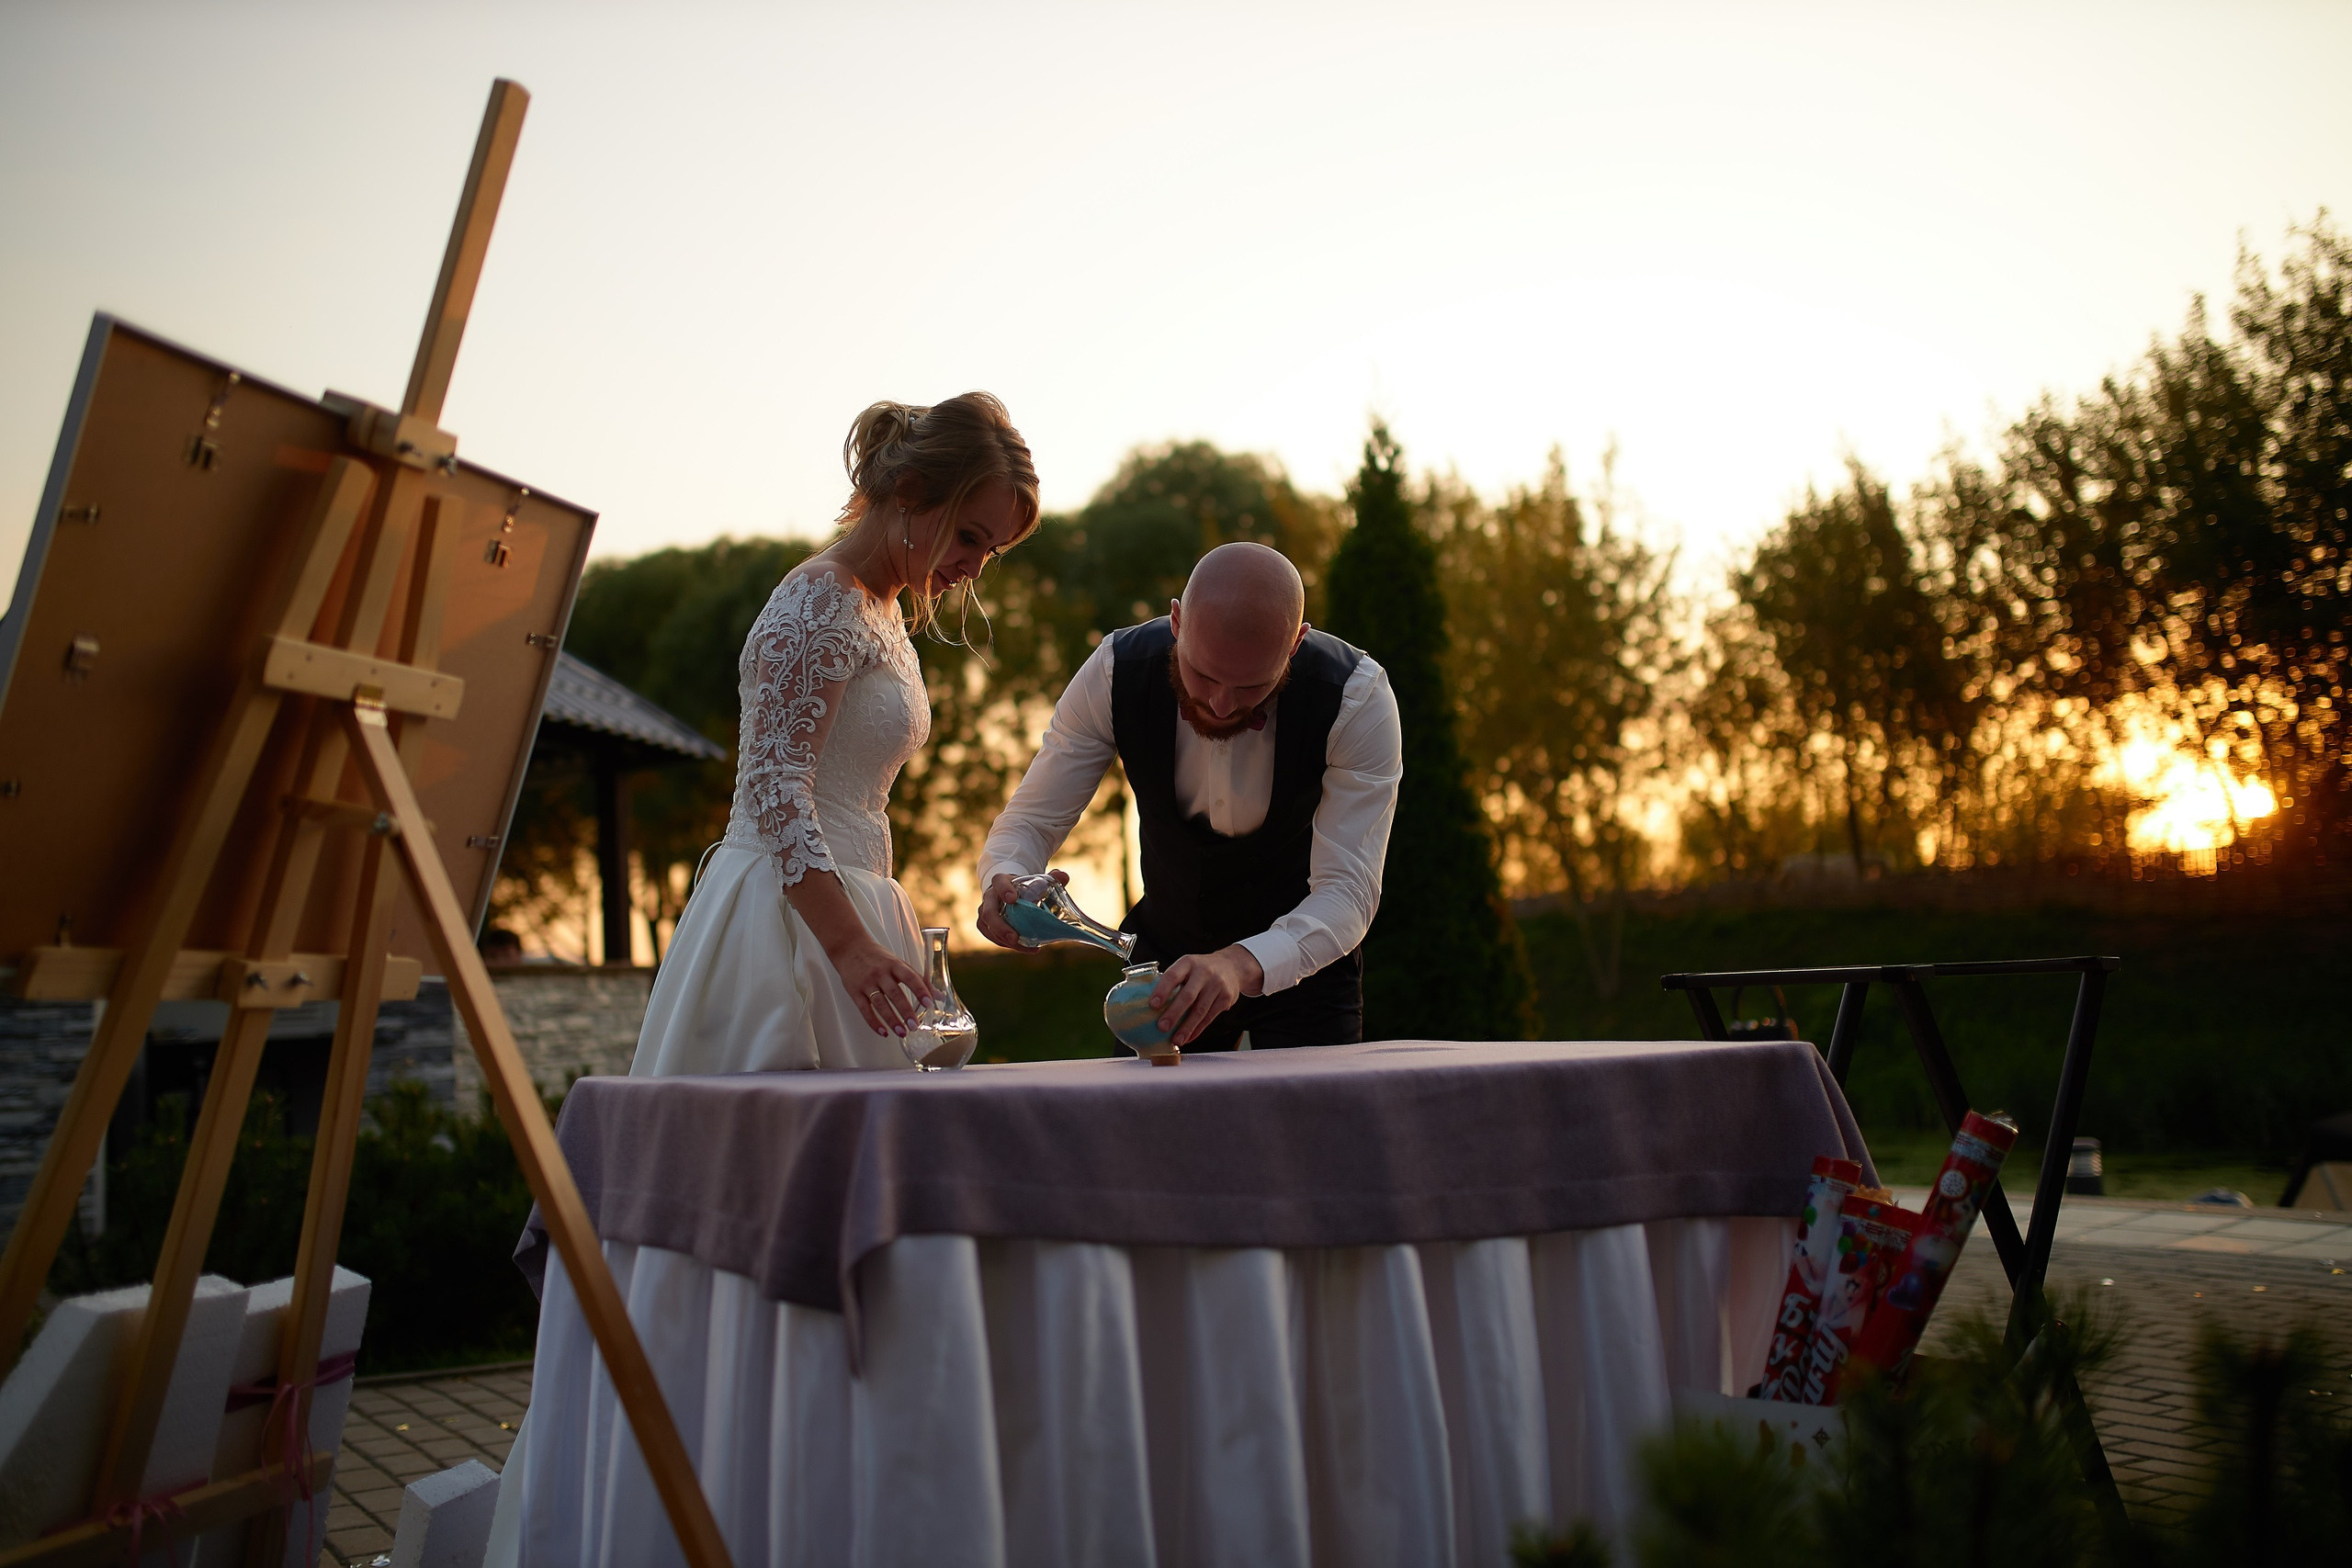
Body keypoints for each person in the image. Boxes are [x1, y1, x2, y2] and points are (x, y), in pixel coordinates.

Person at [629, 393, 1040, 1076]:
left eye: (989, 550)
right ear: (909, 491)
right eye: (970, 535)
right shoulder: (822, 596)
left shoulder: (883, 610)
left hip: (862, 904)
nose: (974, 567)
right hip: (787, 921)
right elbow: (772, 784)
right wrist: (847, 946)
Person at [976, 542, 1401, 1050]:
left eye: (1250, 687)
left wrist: (1238, 964)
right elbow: (1031, 822)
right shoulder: (1114, 673)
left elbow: (1348, 892)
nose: (1221, 705)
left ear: (1295, 645)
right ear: (1176, 621)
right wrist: (1006, 876)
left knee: (1314, 1130)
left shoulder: (1357, 699)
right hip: (1160, 974)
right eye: (1203, 675)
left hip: (1307, 971)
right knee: (1153, 1130)